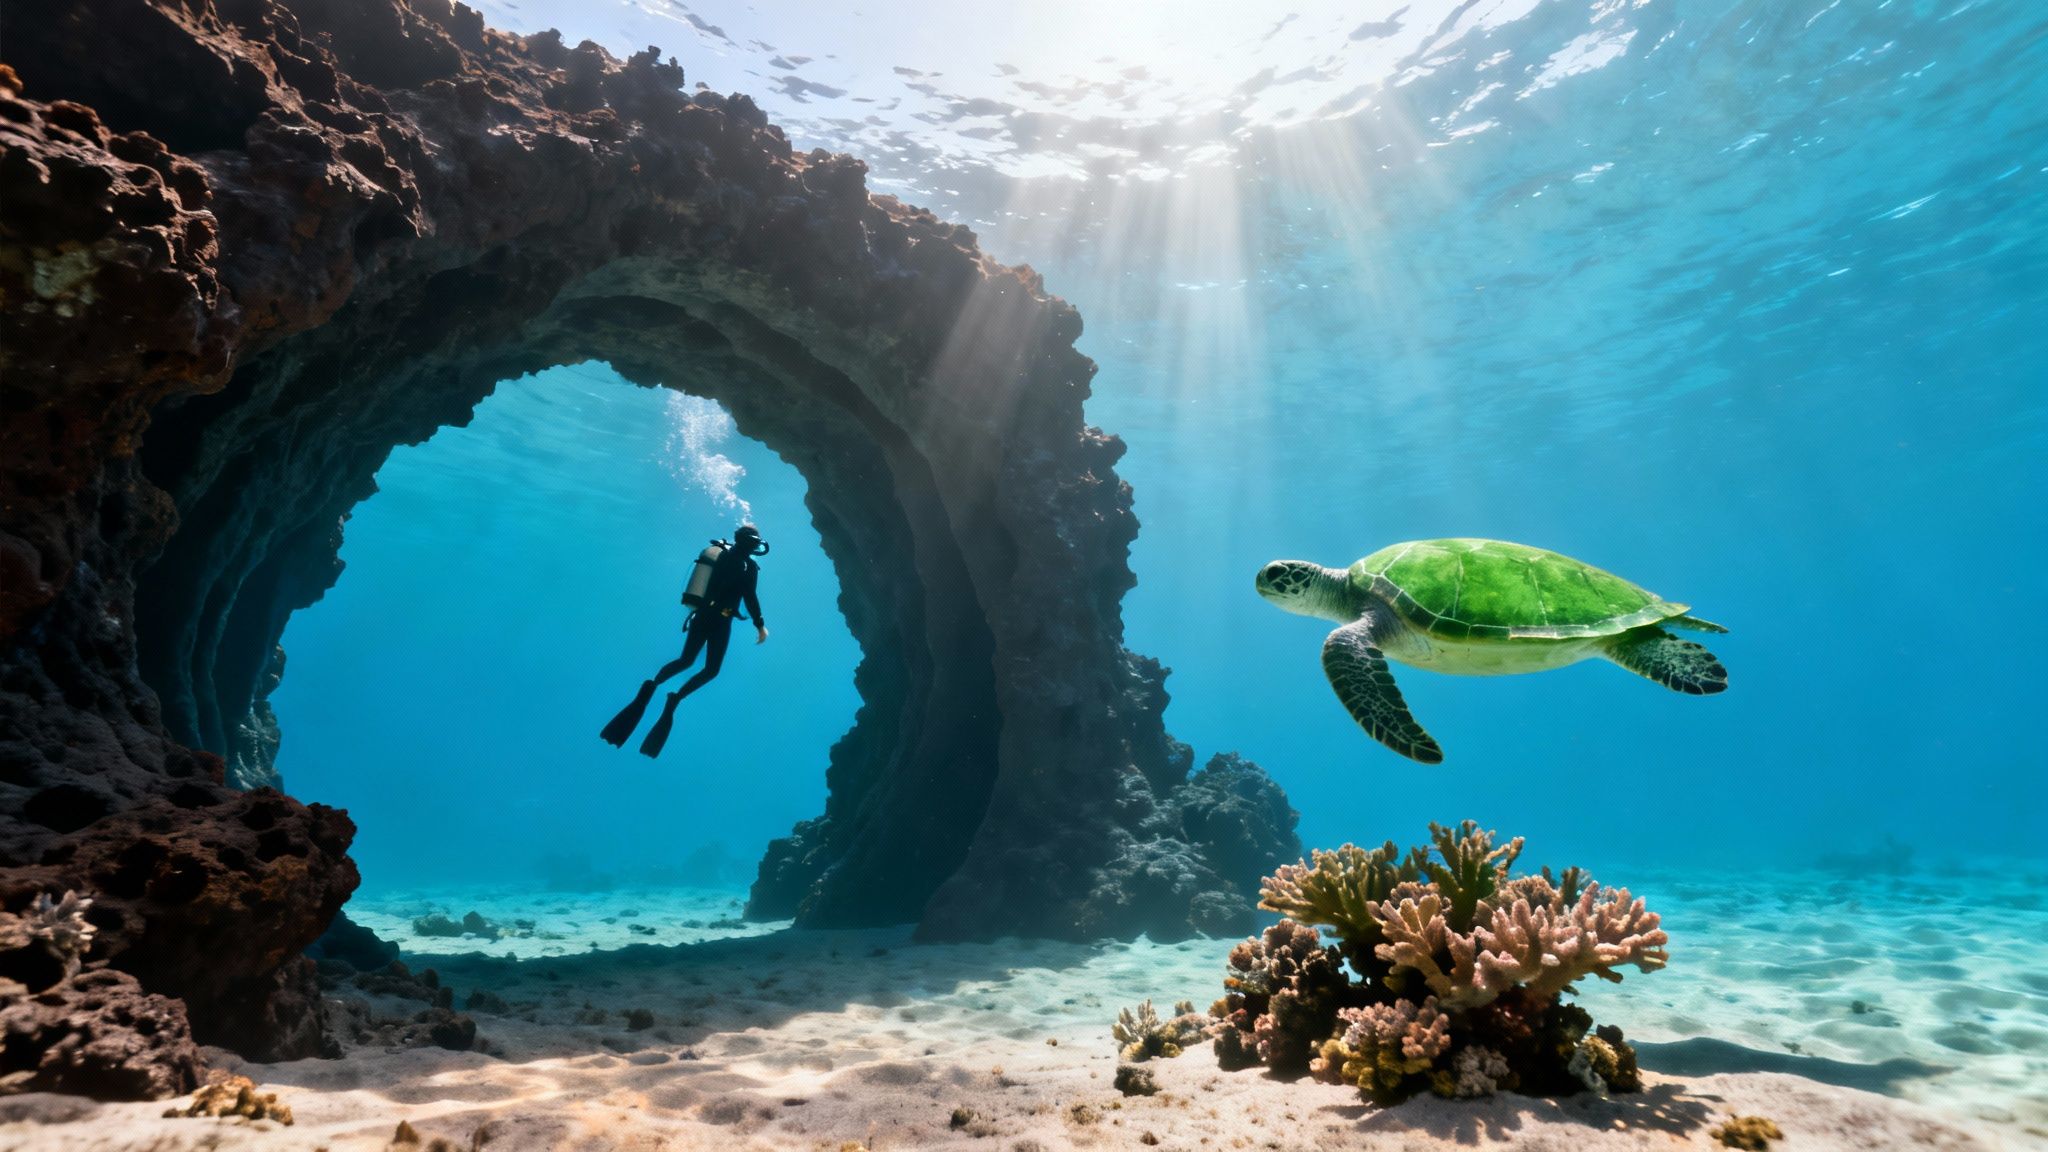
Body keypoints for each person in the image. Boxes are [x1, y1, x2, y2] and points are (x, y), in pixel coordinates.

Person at [601, 524, 770, 757]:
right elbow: (749, 596)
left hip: (702, 615)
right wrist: (760, 625)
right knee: (711, 670)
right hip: (721, 621)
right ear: (753, 543)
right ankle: (675, 700)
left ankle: (650, 689)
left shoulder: (723, 555)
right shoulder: (747, 566)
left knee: (685, 660)